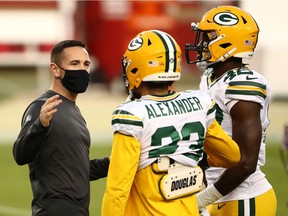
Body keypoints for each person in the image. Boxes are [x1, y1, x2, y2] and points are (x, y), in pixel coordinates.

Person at [101, 29, 241, 216]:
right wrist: (189, 155)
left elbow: (117, 190)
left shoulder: (132, 115)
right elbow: (231, 155)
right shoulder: (198, 103)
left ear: (136, 69)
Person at [185, 5, 277, 215]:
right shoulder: (210, 78)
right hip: (219, 194)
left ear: (226, 41)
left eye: (207, 38)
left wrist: (201, 199)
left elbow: (246, 162)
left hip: (245, 198)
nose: (201, 44)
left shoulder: (243, 84)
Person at [13, 40, 109, 216]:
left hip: (78, 210)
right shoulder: (41, 107)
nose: (82, 69)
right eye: (74, 63)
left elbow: (79, 170)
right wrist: (40, 125)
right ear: (55, 69)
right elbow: (20, 154)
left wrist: (116, 161)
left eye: (86, 64)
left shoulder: (73, 110)